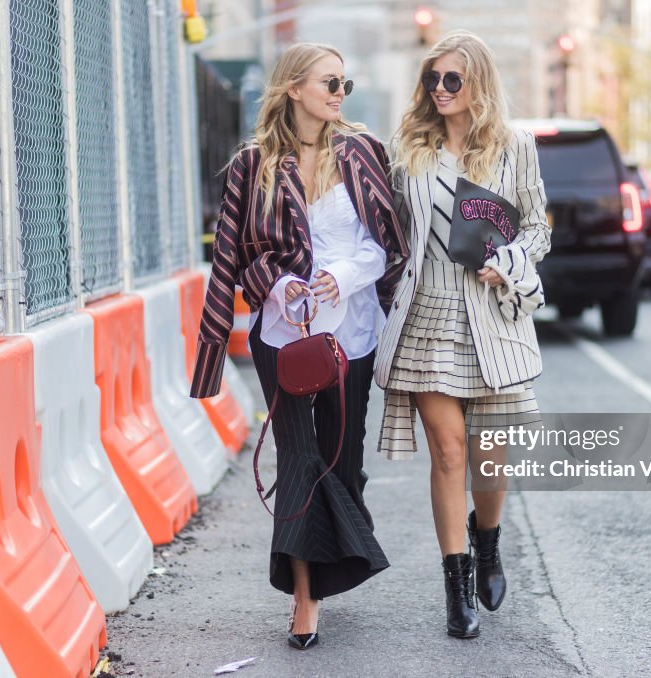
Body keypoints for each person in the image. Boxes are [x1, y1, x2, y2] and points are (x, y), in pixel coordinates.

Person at [189, 42, 407, 650]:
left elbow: (384, 242)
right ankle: (305, 598)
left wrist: (345, 278)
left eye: (345, 83)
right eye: (329, 83)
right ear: (294, 89)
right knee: (300, 458)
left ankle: (336, 558)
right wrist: (281, 287)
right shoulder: (252, 165)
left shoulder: (363, 153)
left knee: (343, 460)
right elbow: (231, 257)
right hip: (282, 337)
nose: (340, 94)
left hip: (352, 331)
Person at [374, 30, 551, 639]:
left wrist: (509, 260)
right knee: (448, 453)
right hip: (428, 314)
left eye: (453, 79)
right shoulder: (411, 149)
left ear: (478, 83)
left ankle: (489, 538)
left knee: (488, 458)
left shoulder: (514, 146)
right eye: (433, 79)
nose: (441, 90)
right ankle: (457, 589)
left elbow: (537, 229)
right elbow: (393, 233)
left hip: (491, 314)